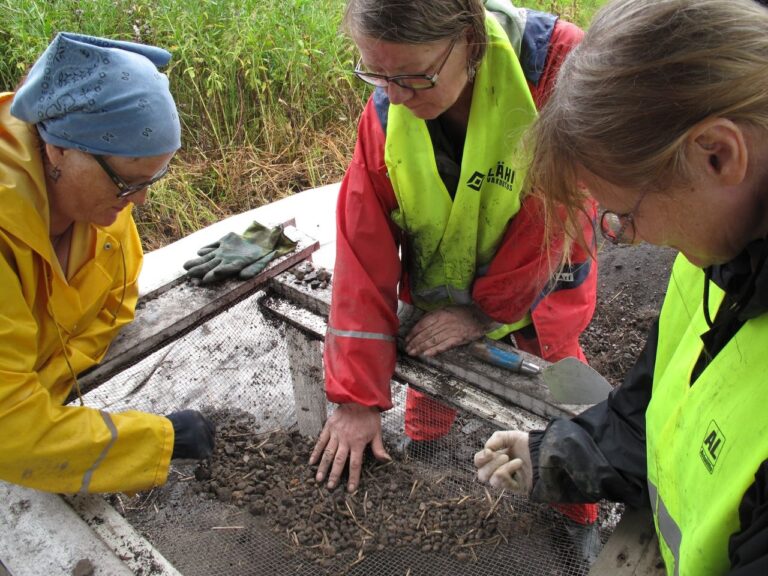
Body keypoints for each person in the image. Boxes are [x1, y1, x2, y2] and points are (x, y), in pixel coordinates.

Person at [474, 0, 768, 573]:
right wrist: (551, 456)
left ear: (718, 154)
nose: (630, 238)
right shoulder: (723, 254)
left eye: (624, 216)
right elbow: (653, 411)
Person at [310, 0, 599, 533]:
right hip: (445, 286)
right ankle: (426, 460)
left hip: (538, 289)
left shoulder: (560, 69)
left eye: (415, 78)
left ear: (469, 40)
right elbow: (362, 247)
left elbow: (564, 211)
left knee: (559, 394)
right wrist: (355, 398)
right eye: (376, 73)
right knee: (429, 353)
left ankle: (574, 519)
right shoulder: (384, 108)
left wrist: (485, 314)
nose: (394, 96)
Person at [1, 32, 215, 495]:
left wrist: (48, 385)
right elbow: (8, 429)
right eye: (126, 182)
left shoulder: (105, 212)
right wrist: (160, 439)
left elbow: (117, 302)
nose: (137, 200)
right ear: (58, 148)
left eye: (151, 180)